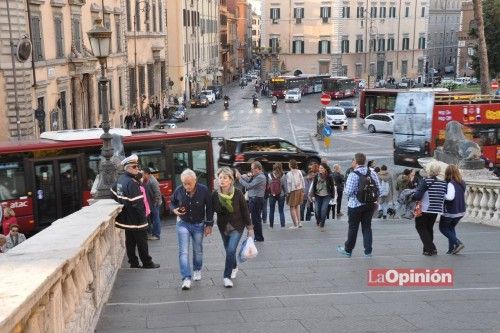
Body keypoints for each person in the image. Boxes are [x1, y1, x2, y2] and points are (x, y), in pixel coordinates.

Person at [111, 154, 160, 269]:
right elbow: (138, 203)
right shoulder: (132, 183)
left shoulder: (120, 179)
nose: (137, 169)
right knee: (142, 242)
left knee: (130, 242)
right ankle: (147, 263)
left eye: (137, 166)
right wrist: (143, 218)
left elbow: (112, 193)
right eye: (134, 167)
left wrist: (122, 202)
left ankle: (133, 263)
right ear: (127, 167)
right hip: (136, 219)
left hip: (126, 218)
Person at [170, 169, 214, 290]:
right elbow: (172, 203)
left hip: (198, 224)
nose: (187, 186)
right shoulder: (179, 190)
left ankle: (197, 269)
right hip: (183, 223)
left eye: (189, 183)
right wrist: (174, 210)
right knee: (183, 252)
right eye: (184, 183)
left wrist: (209, 225)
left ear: (195, 180)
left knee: (197, 250)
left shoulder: (204, 190)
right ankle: (186, 278)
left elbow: (209, 208)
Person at [212, 167, 254, 288]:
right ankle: (234, 266)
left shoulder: (238, 193)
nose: (222, 180)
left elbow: (245, 211)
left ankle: (226, 276)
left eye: (225, 178)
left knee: (231, 250)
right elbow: (210, 210)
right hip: (223, 226)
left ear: (230, 180)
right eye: (220, 178)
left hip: (237, 226)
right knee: (228, 250)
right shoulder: (215, 194)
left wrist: (250, 228)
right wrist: (208, 224)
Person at [337, 153, 380, 257]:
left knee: (353, 228)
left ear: (356, 162)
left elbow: (348, 192)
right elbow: (378, 188)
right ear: (364, 161)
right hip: (369, 204)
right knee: (367, 227)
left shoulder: (353, 174)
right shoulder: (372, 173)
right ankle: (368, 252)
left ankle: (348, 250)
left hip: (355, 206)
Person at [412, 161, 448, 256]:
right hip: (436, 209)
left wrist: (412, 195)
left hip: (425, 208)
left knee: (420, 227)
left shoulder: (426, 181)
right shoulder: (443, 183)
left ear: (429, 170)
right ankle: (428, 250)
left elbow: (418, 196)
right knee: (428, 228)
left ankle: (430, 248)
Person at [236, 162, 266, 242]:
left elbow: (249, 186)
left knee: (256, 219)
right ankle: (257, 236)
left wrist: (239, 179)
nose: (251, 170)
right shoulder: (256, 176)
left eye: (253, 168)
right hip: (253, 199)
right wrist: (243, 176)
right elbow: (248, 180)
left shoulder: (260, 177)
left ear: (257, 169)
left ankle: (259, 237)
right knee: (254, 218)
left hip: (256, 199)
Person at [439, 165, 466, 254]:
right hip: (460, 210)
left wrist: (442, 195)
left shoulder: (451, 183)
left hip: (451, 211)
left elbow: (450, 197)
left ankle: (458, 243)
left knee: (443, 228)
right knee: (450, 228)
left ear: (447, 173)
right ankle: (451, 249)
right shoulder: (462, 182)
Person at [309, 162, 336, 231]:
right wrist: (313, 195)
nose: (320, 169)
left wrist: (333, 196)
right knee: (317, 210)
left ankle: (322, 223)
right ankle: (318, 221)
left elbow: (332, 187)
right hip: (318, 195)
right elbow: (314, 186)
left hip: (327, 195)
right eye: (319, 168)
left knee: (323, 210)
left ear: (325, 169)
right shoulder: (316, 176)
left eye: (321, 168)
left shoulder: (329, 176)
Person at [143, 167, 162, 240]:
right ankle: (151, 233)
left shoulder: (153, 181)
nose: (142, 175)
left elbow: (157, 193)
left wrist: (155, 203)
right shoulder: (146, 180)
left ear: (147, 174)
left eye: (143, 174)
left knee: (156, 219)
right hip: (150, 203)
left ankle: (156, 235)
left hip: (154, 204)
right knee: (151, 218)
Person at [285, 160, 305, 229]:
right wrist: (303, 189)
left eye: (289, 164)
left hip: (293, 191)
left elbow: (289, 184)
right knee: (297, 206)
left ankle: (295, 224)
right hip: (300, 190)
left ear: (290, 165)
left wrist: (287, 193)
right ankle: (299, 222)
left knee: (292, 207)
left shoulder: (289, 174)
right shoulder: (299, 171)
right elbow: (302, 180)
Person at [268, 163, 286, 228]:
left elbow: (269, 185)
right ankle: (282, 225)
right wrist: (286, 194)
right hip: (281, 194)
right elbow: (285, 186)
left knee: (271, 211)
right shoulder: (283, 175)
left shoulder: (270, 175)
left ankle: (271, 226)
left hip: (272, 195)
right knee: (281, 211)